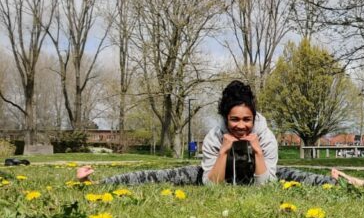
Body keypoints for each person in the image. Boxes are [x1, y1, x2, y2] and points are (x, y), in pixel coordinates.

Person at [76, 81, 336, 186]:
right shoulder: (215, 136)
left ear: (254, 118)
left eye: (247, 119)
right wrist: (224, 150)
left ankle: (360, 185)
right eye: (235, 119)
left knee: (299, 177)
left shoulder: (265, 136)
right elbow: (211, 186)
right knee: (164, 176)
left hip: (260, 172)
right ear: (225, 118)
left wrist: (256, 150)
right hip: (215, 173)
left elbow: (265, 186)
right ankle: (99, 184)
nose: (241, 125)